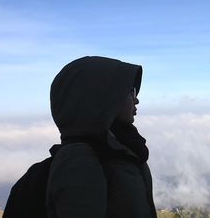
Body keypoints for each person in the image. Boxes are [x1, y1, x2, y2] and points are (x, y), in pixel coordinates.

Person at [46, 56, 156, 218]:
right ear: (102, 97)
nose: (136, 99)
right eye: (130, 90)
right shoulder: (79, 159)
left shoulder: (121, 148)